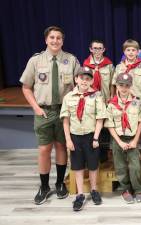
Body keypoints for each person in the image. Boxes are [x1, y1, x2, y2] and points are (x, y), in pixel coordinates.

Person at [20, 26, 80, 205]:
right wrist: (36, 108)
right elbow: (26, 87)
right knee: (44, 149)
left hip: (63, 111)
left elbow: (82, 81)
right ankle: (44, 186)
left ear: (63, 40)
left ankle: (60, 183)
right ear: (46, 40)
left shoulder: (71, 60)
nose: (55, 41)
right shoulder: (36, 61)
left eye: (59, 38)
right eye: (52, 37)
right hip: (44, 111)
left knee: (62, 147)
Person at [60, 67, 106, 211]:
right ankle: (80, 194)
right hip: (75, 137)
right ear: (76, 79)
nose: (84, 81)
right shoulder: (68, 97)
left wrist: (96, 138)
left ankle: (94, 190)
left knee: (93, 165)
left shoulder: (97, 96)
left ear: (91, 80)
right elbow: (66, 120)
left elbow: (100, 119)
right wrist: (68, 140)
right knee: (78, 167)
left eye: (87, 79)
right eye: (81, 78)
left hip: (91, 136)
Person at [105, 72, 141, 204]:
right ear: (116, 85)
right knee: (120, 166)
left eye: (127, 85)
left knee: (135, 167)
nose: (124, 88)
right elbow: (110, 125)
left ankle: (138, 189)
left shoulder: (136, 102)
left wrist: (135, 140)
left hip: (132, 138)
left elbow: (140, 122)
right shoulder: (111, 104)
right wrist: (119, 142)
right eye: (121, 85)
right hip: (118, 139)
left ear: (131, 86)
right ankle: (125, 189)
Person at [83, 39, 115, 163]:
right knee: (94, 126)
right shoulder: (86, 65)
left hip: (105, 100)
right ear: (90, 49)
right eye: (95, 48)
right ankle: (93, 154)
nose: (97, 51)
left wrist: (112, 96)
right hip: (91, 100)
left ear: (104, 50)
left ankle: (104, 155)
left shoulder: (109, 65)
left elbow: (113, 82)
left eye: (100, 48)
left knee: (106, 127)